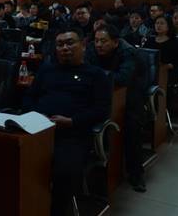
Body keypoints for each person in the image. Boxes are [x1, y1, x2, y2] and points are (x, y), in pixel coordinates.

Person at [22, 27, 111, 216]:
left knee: (63, 171)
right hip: (38, 128)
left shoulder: (96, 75)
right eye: (60, 44)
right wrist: (35, 115)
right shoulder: (46, 70)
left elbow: (102, 110)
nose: (64, 48)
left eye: (70, 43)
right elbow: (29, 97)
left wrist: (72, 121)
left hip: (72, 134)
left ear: (83, 45)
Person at [86, 25, 147, 192]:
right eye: (96, 41)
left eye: (103, 41)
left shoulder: (129, 52)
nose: (99, 45)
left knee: (132, 127)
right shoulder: (91, 49)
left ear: (115, 42)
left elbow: (123, 78)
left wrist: (97, 75)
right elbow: (84, 70)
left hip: (130, 96)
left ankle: (136, 173)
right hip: (99, 95)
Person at [144, 15, 178, 111]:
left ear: (168, 26)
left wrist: (170, 66)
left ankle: (157, 110)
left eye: (162, 23)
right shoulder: (149, 41)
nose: (158, 26)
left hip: (168, 73)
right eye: (157, 23)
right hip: (150, 72)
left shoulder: (175, 43)